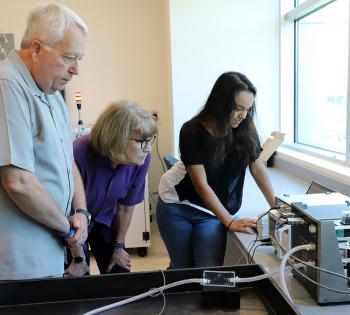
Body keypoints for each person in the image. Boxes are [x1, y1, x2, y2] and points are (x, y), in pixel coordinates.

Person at [0, 4, 90, 280]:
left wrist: (81, 212)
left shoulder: (51, 90)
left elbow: (68, 160)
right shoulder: (7, 85)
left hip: (51, 244)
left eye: (79, 59)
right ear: (37, 49)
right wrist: (67, 228)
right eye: (68, 58)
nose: (75, 69)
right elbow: (17, 181)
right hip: (20, 258)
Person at [157, 71, 275, 268]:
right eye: (238, 108)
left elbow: (256, 165)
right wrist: (229, 222)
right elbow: (200, 185)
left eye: (247, 109)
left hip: (211, 210)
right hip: (177, 205)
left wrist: (277, 207)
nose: (243, 115)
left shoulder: (245, 127)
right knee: (182, 269)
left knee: (208, 270)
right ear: (221, 103)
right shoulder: (192, 130)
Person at [63, 101, 157, 277]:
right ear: (117, 138)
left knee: (119, 269)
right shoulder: (78, 154)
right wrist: (78, 259)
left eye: (149, 140)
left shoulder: (141, 159)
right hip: (72, 225)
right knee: (77, 278)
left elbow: (125, 207)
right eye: (141, 141)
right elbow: (64, 210)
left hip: (105, 219)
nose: (148, 148)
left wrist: (119, 246)